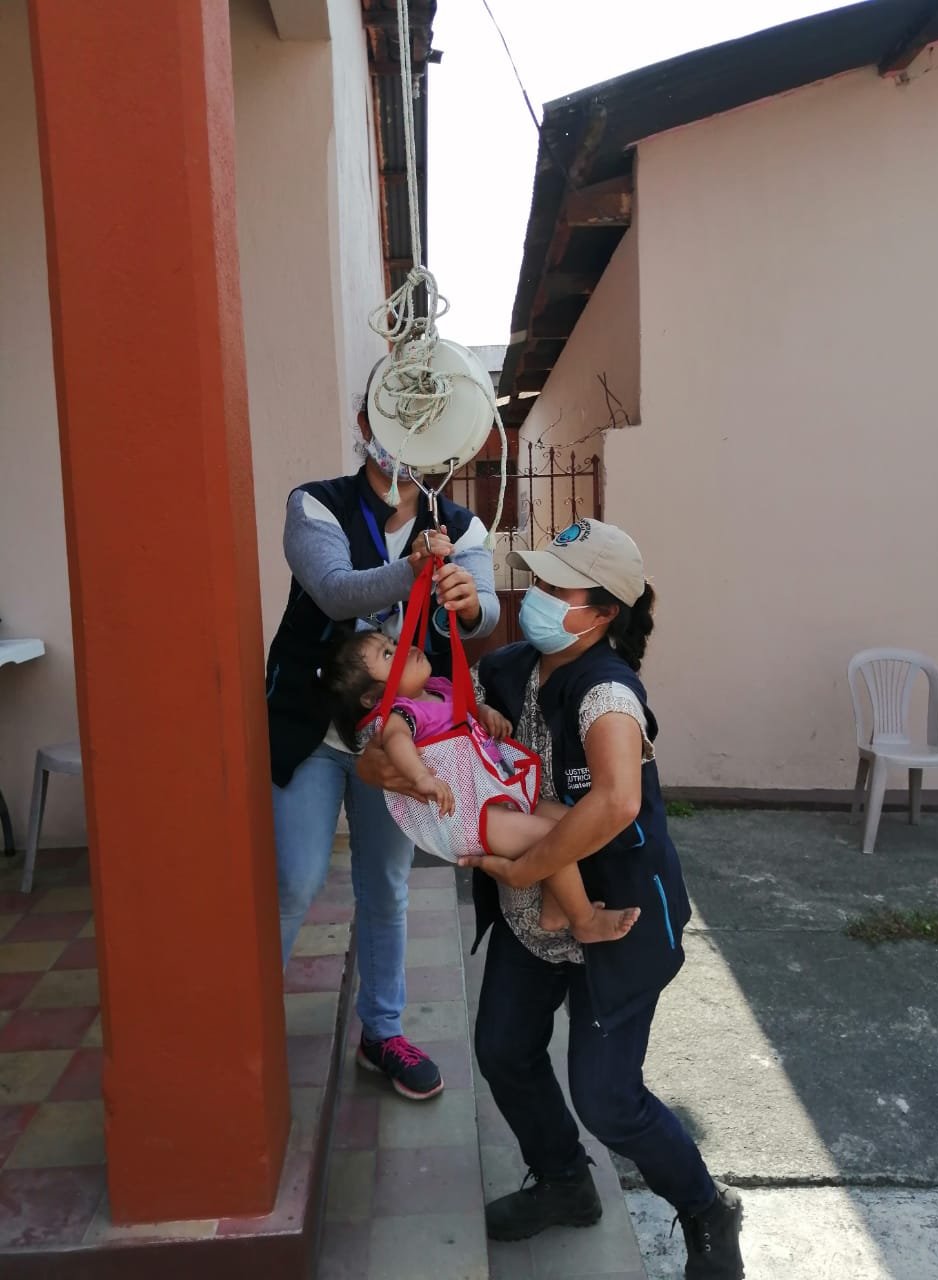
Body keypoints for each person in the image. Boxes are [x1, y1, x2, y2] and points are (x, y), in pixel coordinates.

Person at [359, 517, 745, 1277]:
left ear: (602, 613)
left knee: (608, 1099)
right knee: (504, 1051)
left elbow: (617, 803)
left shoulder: (607, 694)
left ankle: (707, 1209)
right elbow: (407, 730)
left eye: (556, 587)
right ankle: (565, 1179)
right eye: (536, 579)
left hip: (616, 922)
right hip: (532, 921)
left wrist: (529, 867)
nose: (536, 594)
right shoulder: (506, 670)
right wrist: (381, 767)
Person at [264, 373, 499, 1101]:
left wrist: (467, 602)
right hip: (313, 726)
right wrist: (414, 569)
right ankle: (245, 1023)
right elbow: (336, 590)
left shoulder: (460, 525)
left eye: (434, 418)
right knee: (295, 879)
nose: (414, 434)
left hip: (400, 736)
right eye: (403, 413)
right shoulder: (315, 504)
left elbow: (486, 612)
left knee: (387, 885)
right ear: (367, 420)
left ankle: (383, 1032)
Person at [317, 626, 640, 943]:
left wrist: (484, 712)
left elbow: (465, 709)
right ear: (372, 697)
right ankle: (584, 920)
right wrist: (422, 778)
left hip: (491, 792)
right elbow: (397, 741)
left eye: (393, 641)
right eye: (388, 655)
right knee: (552, 837)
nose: (403, 648)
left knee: (572, 824)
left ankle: (555, 909)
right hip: (466, 815)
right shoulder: (398, 714)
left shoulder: (438, 688)